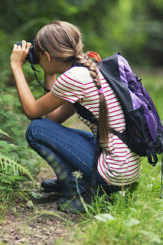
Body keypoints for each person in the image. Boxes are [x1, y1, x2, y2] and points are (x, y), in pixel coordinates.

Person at [10, 20, 141, 213]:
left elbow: (32, 112)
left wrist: (16, 67)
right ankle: (78, 181)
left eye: (39, 56)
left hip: (115, 172)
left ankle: (78, 191)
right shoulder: (88, 69)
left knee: (35, 129)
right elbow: (53, 118)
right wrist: (49, 71)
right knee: (48, 129)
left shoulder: (73, 78)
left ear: (47, 55)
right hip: (125, 167)